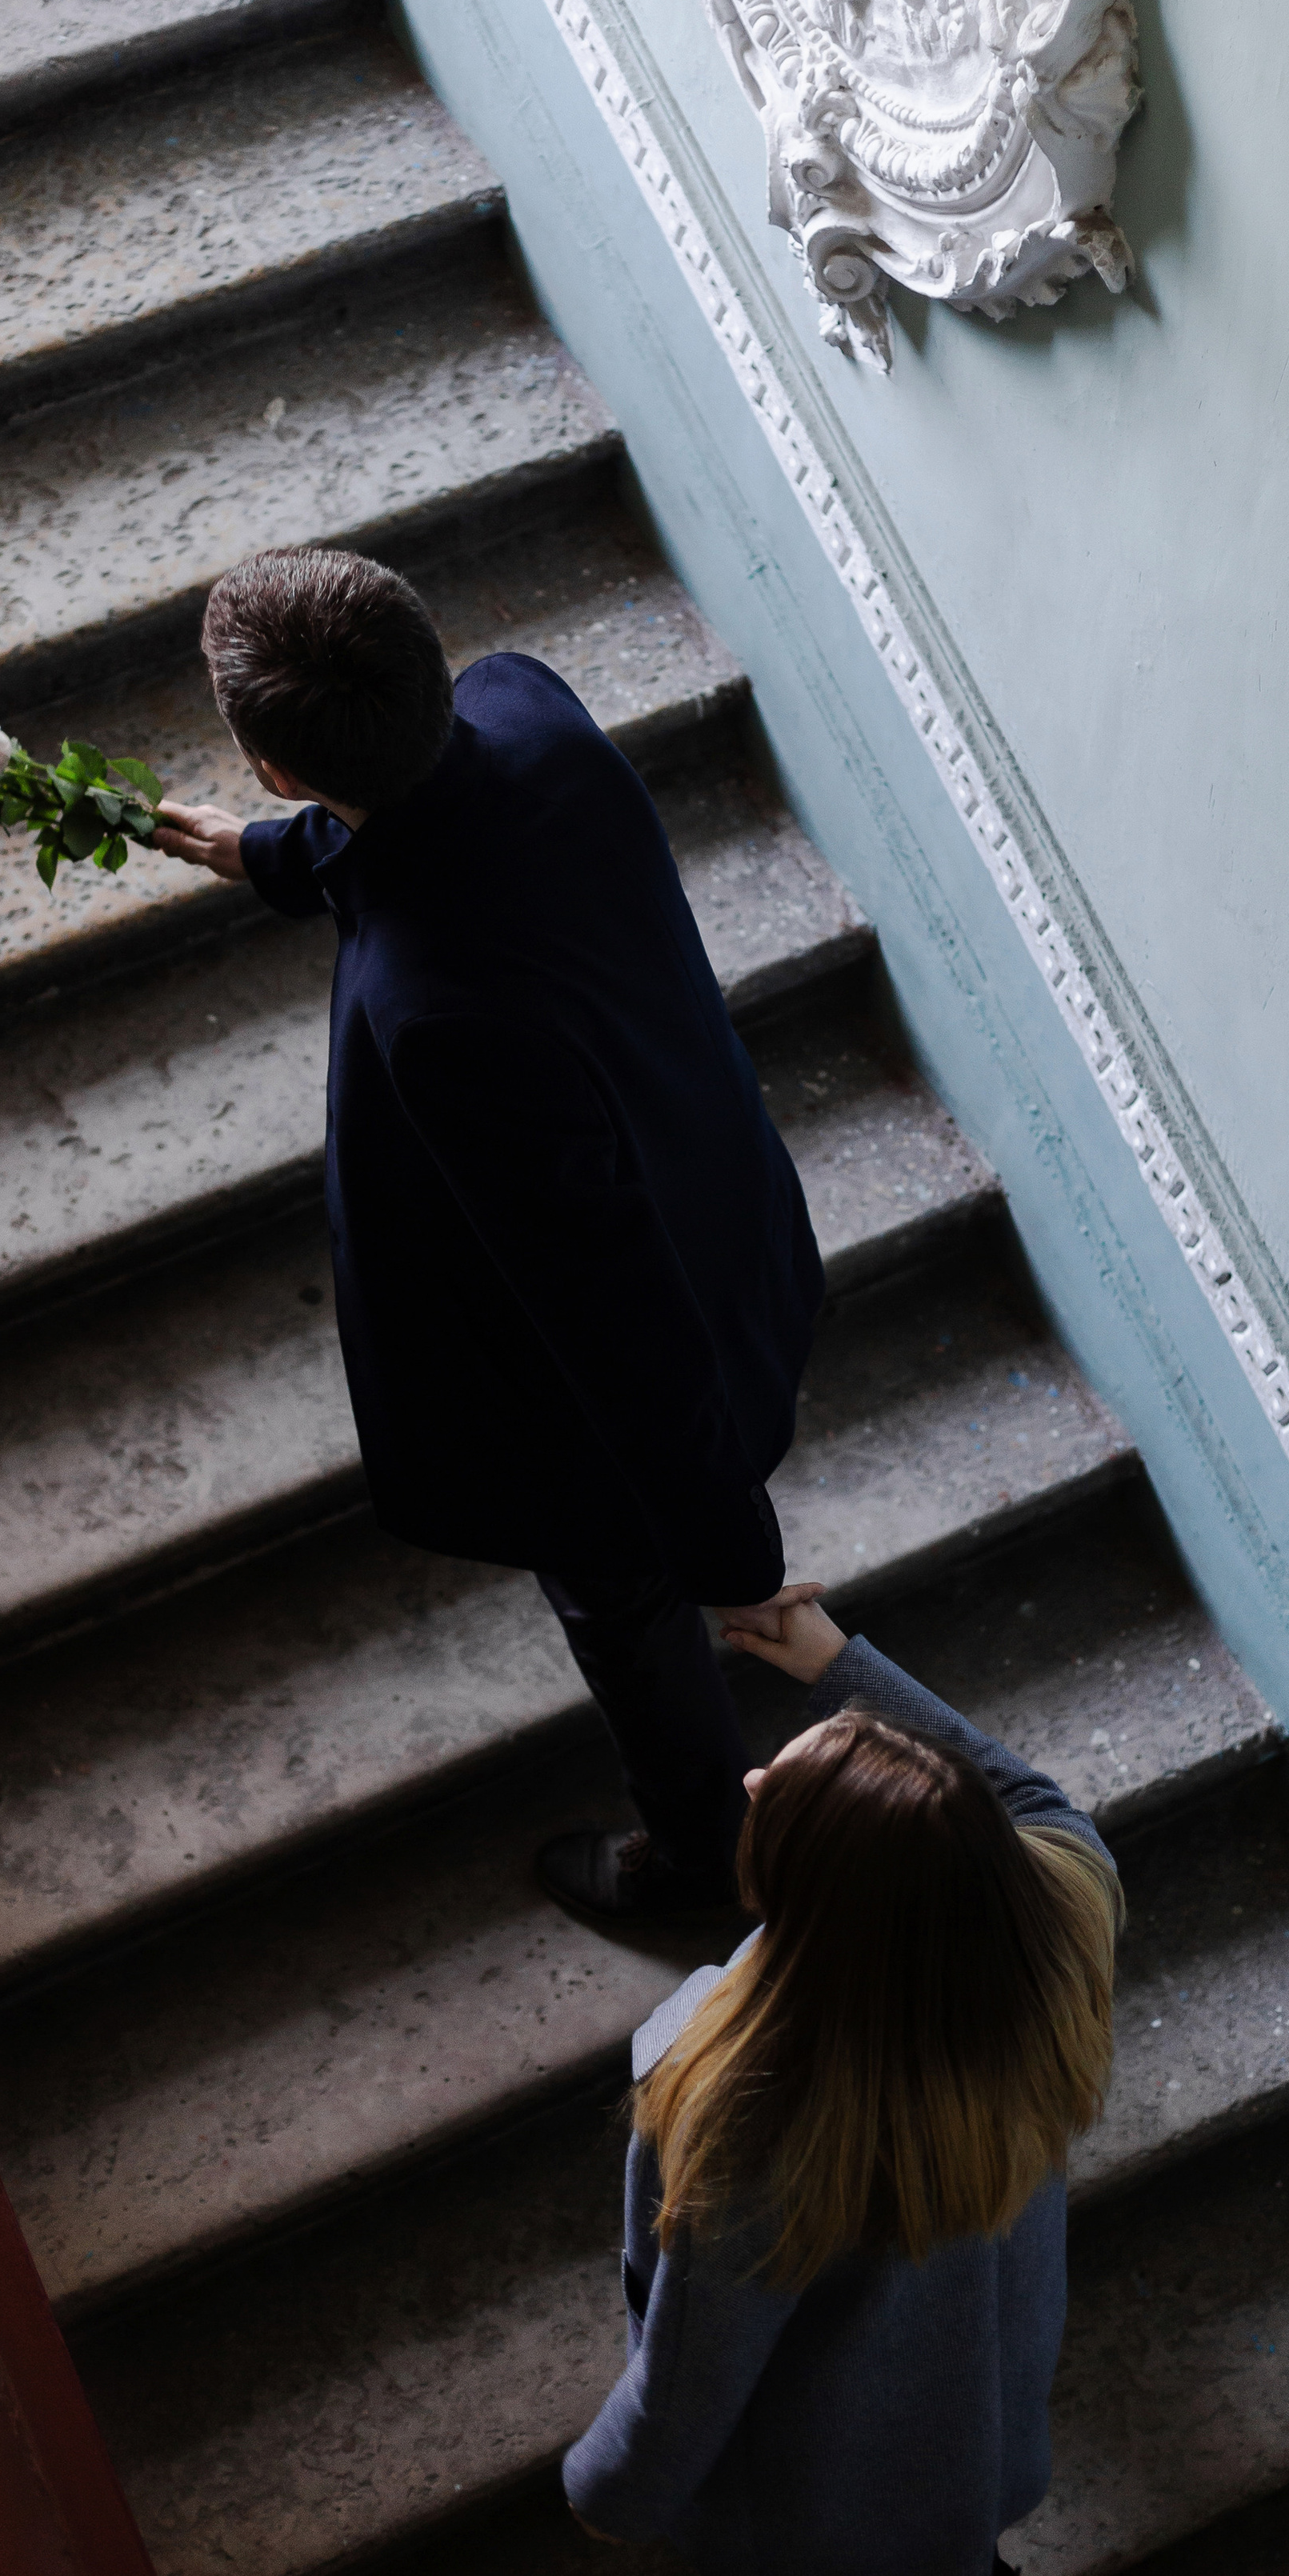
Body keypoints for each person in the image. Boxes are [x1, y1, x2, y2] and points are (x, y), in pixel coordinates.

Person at [151, 549, 825, 1920]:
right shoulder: (528, 707)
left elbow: (604, 1298)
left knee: (623, 1604)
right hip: (717, 1182)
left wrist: (727, 1547)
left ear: (279, 768)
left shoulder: (432, 1005)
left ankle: (703, 1859)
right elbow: (441, 823)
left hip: (616, 1369)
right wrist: (280, 858)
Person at [562, 1582, 1122, 2576]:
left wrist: (608, 2489)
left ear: (813, 1894)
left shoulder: (752, 2115)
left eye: (782, 1793)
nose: (753, 1772)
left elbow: (695, 2368)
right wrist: (836, 1663)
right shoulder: (1056, 1927)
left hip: (809, 2492)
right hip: (975, 2430)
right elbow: (1026, 1797)